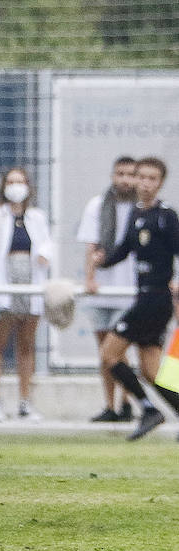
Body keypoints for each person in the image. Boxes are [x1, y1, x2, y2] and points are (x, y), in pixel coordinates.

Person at [90, 156, 179, 441]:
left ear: (160, 183)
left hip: (155, 300)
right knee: (152, 372)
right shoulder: (137, 214)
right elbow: (125, 249)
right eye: (142, 177)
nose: (145, 183)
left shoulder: (166, 216)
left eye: (152, 179)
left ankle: (148, 409)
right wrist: (102, 261)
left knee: (109, 354)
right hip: (145, 298)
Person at [0, 167, 54, 422]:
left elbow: (45, 246)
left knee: (26, 344)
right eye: (10, 181)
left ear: (28, 186)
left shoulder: (37, 217)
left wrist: (45, 255)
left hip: (30, 284)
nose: (15, 186)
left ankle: (25, 401)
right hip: (3, 286)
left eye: (19, 181)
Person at [75, 156, 140, 422]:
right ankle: (110, 405)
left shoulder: (142, 208)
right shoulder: (98, 204)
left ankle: (127, 402)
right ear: (113, 175)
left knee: (120, 351)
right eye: (120, 173)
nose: (125, 179)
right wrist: (90, 278)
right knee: (104, 352)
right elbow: (91, 246)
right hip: (103, 289)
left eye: (130, 174)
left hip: (130, 290)